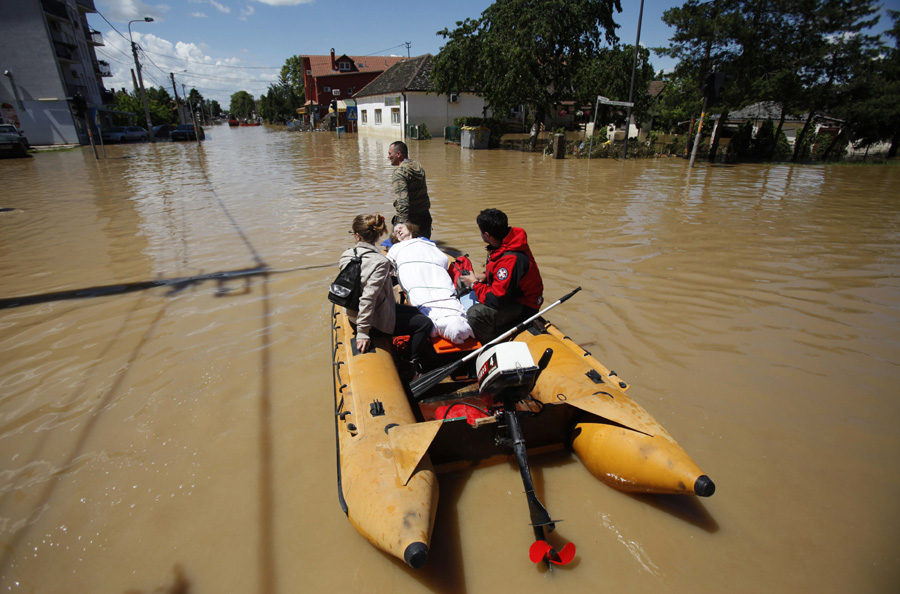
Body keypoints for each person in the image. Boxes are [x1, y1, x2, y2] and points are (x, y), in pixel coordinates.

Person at [339, 214, 433, 369]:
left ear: (357, 235)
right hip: (370, 322)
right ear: (378, 234)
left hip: (354, 314)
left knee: (416, 312)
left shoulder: (347, 254)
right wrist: (363, 332)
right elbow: (368, 298)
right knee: (424, 323)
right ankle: (409, 360)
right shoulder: (380, 262)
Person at [458, 209, 544, 344]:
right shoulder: (504, 243)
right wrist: (485, 276)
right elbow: (503, 274)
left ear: (487, 235)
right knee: (462, 280)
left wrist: (475, 284)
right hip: (510, 294)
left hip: (523, 306)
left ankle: (491, 344)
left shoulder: (511, 258)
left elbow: (496, 299)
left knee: (475, 314)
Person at [387, 223, 475, 344]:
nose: (398, 230)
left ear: (411, 228)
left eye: (401, 227)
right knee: (424, 297)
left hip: (435, 275)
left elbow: (442, 261)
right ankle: (443, 324)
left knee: (444, 294)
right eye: (396, 231)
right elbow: (387, 266)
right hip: (416, 277)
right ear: (396, 239)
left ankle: (456, 321)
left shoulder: (429, 245)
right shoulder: (396, 248)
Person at [388, 141, 432, 239]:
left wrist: (401, 227)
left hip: (411, 219)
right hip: (425, 216)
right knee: (424, 248)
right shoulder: (418, 166)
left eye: (390, 153)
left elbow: (403, 203)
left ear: (398, 154)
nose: (388, 156)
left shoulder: (399, 173)